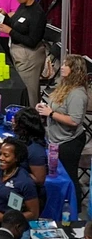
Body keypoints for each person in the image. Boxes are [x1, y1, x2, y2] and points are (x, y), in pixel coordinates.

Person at [38, 55, 89, 202]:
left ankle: (75, 207)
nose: (61, 67)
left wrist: (51, 113)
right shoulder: (64, 86)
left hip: (69, 142)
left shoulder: (77, 94)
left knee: (69, 175)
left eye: (66, 65)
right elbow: (58, 108)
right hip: (56, 138)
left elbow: (74, 120)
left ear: (75, 70)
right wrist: (45, 108)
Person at [0, 0, 48, 104]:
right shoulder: (22, 6)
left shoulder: (37, 14)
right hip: (18, 51)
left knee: (29, 93)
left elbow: (32, 41)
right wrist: (4, 16)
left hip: (30, 57)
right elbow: (15, 24)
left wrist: (10, 32)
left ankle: (31, 119)